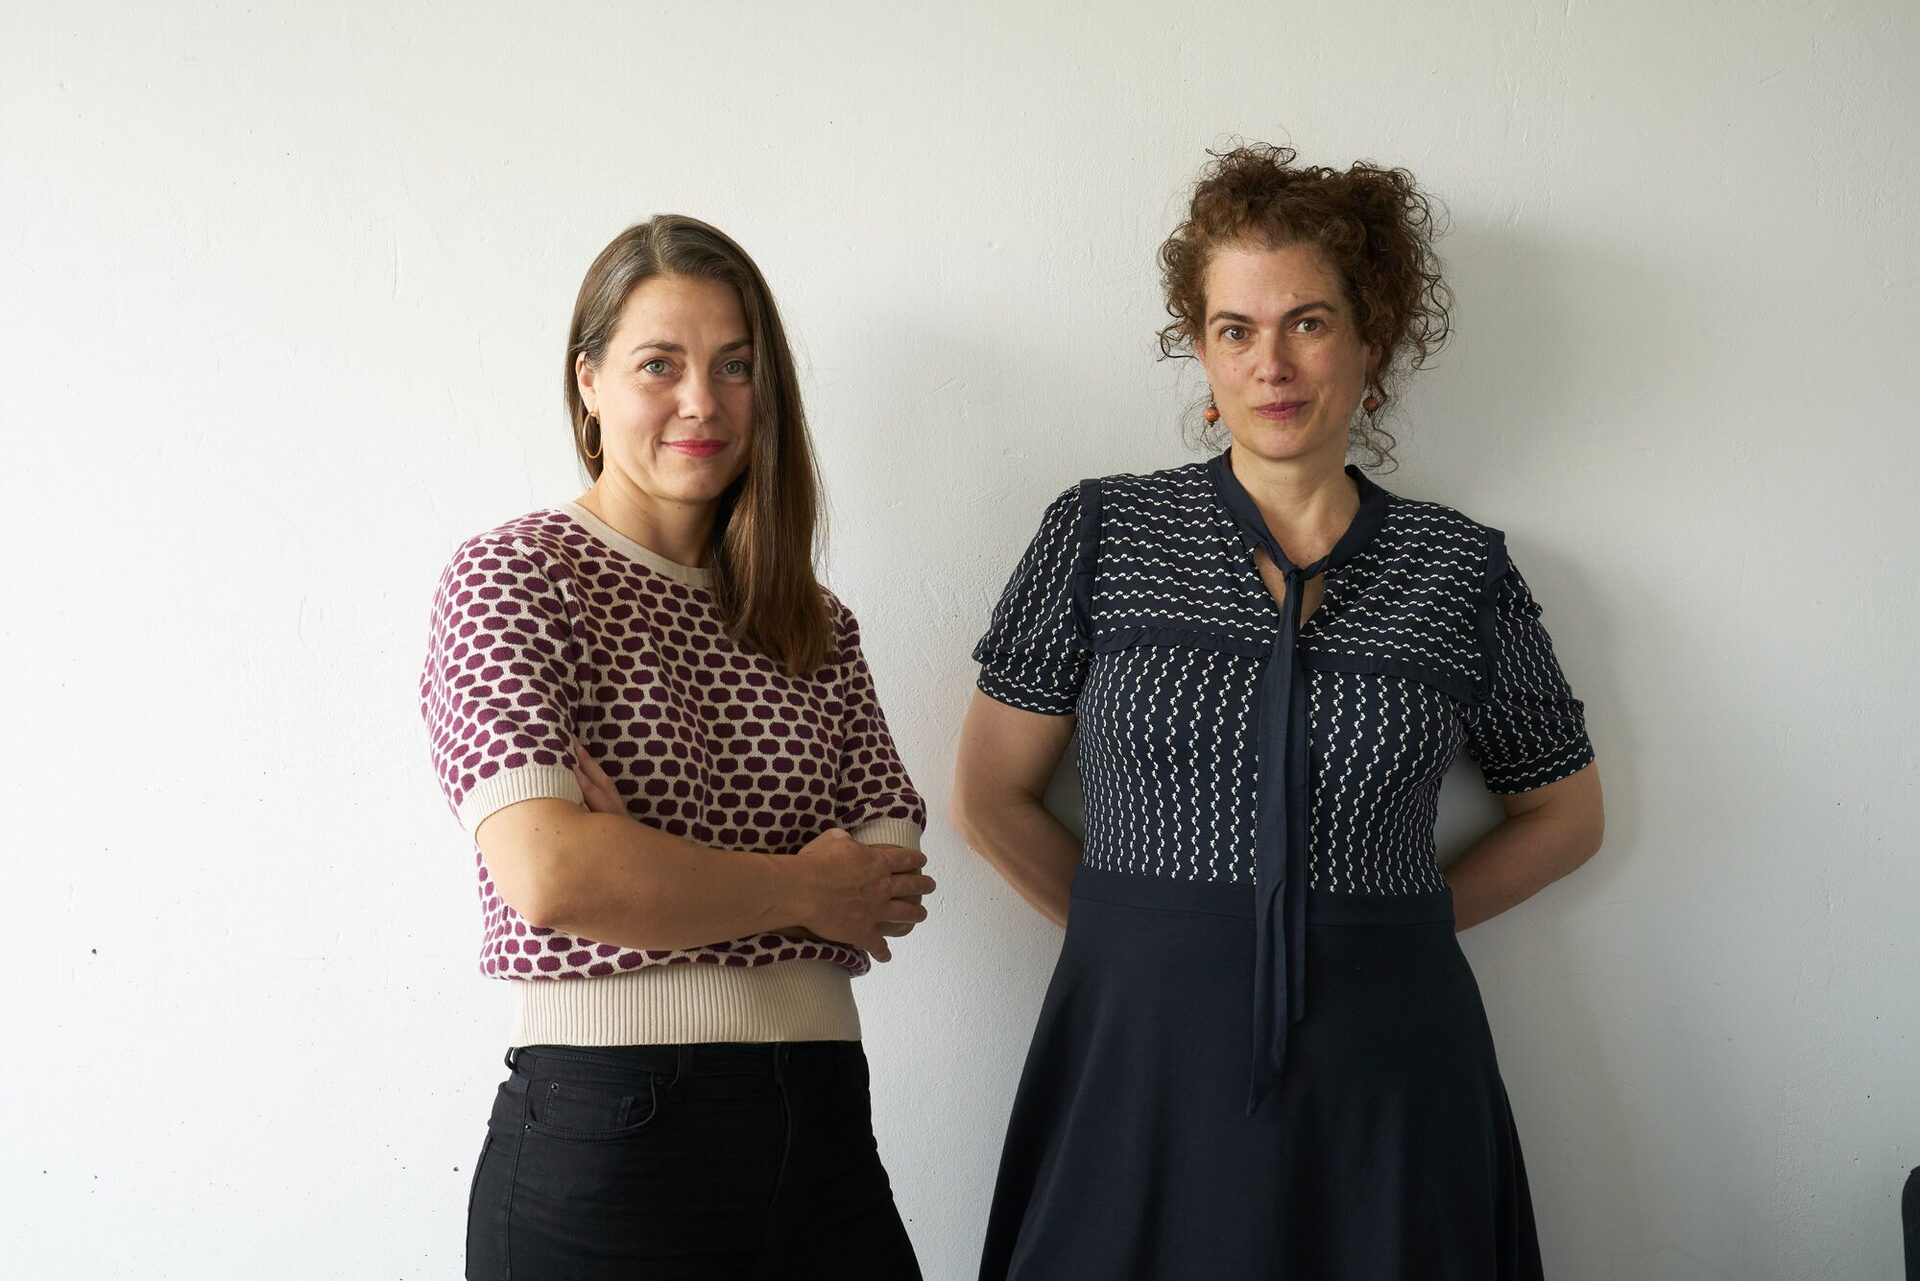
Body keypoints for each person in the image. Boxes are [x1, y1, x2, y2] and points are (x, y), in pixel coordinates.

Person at [952, 144, 1605, 1279]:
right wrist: (1137, 937)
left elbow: (1568, 815)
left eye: (1308, 322)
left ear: (1371, 338)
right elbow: (987, 795)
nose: (1272, 364)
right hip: (1136, 1055)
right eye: (1235, 330)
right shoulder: (1102, 534)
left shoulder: (1461, 571)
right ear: (1203, 351)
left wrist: (1381, 933)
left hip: (1391, 1067)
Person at [420, 215, 934, 1280]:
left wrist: (652, 866)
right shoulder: (517, 578)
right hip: (612, 1137)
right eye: (660, 363)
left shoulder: (812, 622)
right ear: (589, 382)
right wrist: (806, 884)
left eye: (735, 366)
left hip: (824, 1128)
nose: (703, 401)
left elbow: (886, 878)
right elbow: (555, 876)